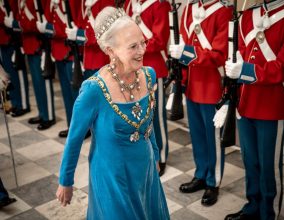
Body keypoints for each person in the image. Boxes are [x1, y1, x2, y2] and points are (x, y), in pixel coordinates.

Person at [56, 6, 170, 220]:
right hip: (112, 177)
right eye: (133, 46)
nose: (142, 51)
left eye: (142, 42)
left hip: (145, 170)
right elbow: (74, 140)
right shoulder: (93, 90)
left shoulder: (149, 75)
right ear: (111, 51)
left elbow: (148, 123)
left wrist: (154, 153)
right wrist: (66, 181)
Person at [222, 0, 284, 219]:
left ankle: (269, 212)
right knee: (251, 161)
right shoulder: (249, 15)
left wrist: (245, 70)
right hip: (245, 101)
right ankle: (252, 206)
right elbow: (241, 53)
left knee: (269, 168)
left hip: (273, 105)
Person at [169, 0, 232, 206]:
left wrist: (186, 53)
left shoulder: (223, 11)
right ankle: (201, 174)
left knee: (212, 138)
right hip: (192, 83)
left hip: (212, 85)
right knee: (196, 134)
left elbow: (219, 54)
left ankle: (213, 182)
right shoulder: (189, 7)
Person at [124, 0, 171, 176]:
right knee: (138, 115)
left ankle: (162, 156)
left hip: (154, 68)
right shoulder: (130, 3)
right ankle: (145, 153)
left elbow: (158, 41)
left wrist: (132, 50)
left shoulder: (159, 4)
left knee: (156, 117)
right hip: (134, 69)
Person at [4, 0, 56, 130]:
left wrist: (18, 24)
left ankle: (49, 116)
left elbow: (40, 22)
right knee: (37, 84)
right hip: (28, 44)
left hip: (38, 45)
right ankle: (42, 113)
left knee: (43, 82)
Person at [40, 0, 78, 137]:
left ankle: (80, 129)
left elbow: (70, 26)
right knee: (66, 94)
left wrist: (50, 28)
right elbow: (51, 21)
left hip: (69, 52)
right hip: (58, 51)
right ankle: (71, 125)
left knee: (75, 95)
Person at [1, 0, 30, 117]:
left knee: (19, 75)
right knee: (9, 75)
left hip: (13, 41)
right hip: (3, 40)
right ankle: (15, 102)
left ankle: (23, 104)